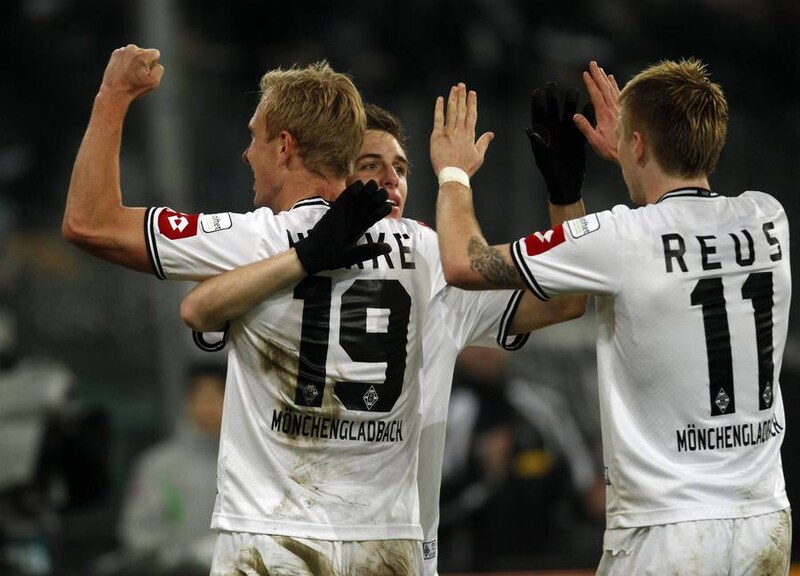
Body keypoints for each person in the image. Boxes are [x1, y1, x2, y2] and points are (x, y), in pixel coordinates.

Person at [62, 44, 437, 575]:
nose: (246, 154)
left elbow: (88, 223)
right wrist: (460, 180)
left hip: (273, 538)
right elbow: (531, 295)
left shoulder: (254, 240)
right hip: (388, 542)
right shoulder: (424, 247)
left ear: (284, 146)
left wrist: (113, 96)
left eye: (254, 137)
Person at [181, 101, 589, 576]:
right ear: (333, 176)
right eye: (370, 165)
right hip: (363, 542)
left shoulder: (420, 261)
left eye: (401, 168)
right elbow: (566, 299)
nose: (391, 179)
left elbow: (564, 302)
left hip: (319, 540)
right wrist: (562, 200)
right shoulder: (431, 257)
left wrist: (564, 193)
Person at [430, 61, 791, 575]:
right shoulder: (767, 217)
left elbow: (464, 263)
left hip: (668, 532)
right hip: (764, 520)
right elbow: (675, 228)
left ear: (637, 145)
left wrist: (452, 174)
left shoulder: (621, 236)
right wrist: (636, 151)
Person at [116, 362, 226, 574]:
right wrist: (186, 559)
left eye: (218, 398)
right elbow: (138, 532)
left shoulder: (250, 465)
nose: (210, 407)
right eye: (203, 398)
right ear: (188, 402)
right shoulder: (158, 465)